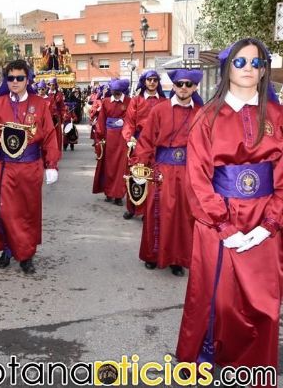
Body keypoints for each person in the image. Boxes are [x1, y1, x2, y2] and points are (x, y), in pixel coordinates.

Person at [176, 38, 283, 370]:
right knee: (220, 300)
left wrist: (270, 224)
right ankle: (215, 359)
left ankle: (257, 368)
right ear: (227, 69)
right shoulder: (206, 117)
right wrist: (223, 225)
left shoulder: (278, 116)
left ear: (264, 70)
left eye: (255, 62)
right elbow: (197, 178)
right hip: (219, 221)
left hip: (265, 218)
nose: (248, 68)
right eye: (240, 62)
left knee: (265, 303)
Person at [0, 59, 60, 274]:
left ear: (28, 79)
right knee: (0, 212)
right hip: (5, 166)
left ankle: (26, 254)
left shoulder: (40, 104)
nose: (15, 82)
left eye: (19, 78)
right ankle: (7, 249)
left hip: (31, 166)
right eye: (10, 78)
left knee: (27, 212)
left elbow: (50, 135)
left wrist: (51, 163)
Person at [130, 69, 203, 277]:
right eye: (179, 84)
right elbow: (145, 140)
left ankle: (178, 259)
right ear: (173, 86)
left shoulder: (200, 112)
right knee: (158, 212)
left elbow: (207, 145)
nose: (183, 88)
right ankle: (152, 255)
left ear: (195, 87)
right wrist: (139, 166)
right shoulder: (159, 110)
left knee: (183, 215)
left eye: (188, 84)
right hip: (162, 170)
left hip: (189, 171)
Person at [121, 70, 169, 220]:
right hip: (140, 143)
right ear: (144, 81)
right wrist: (129, 138)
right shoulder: (136, 100)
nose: (152, 82)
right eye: (149, 79)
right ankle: (132, 207)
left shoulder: (164, 102)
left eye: (155, 80)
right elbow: (129, 121)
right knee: (136, 174)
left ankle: (148, 210)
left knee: (154, 176)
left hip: (157, 144)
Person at [92, 79, 130, 206]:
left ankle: (118, 195)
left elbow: (132, 118)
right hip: (108, 138)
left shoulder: (129, 101)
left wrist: (125, 124)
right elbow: (101, 120)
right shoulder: (106, 102)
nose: (116, 95)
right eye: (114, 92)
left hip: (123, 138)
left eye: (118, 92)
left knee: (121, 167)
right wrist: (100, 137)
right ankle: (108, 192)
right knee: (108, 166)